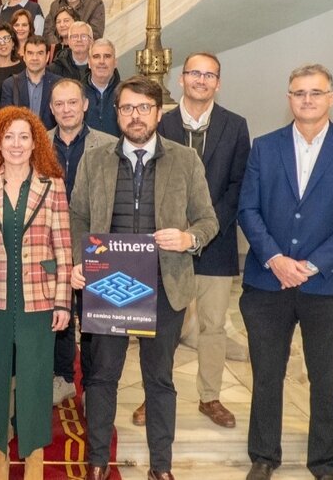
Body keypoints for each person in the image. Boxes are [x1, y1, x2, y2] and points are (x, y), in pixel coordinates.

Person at [69, 76, 218, 480]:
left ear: (157, 113)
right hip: (107, 285)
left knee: (160, 379)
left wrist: (189, 238)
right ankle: (98, 460)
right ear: (116, 114)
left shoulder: (185, 160)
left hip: (164, 287)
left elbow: (209, 220)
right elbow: (77, 215)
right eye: (127, 108)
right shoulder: (94, 158)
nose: (135, 116)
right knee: (102, 376)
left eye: (144, 108)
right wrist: (78, 260)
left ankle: (161, 466)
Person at [238, 64, 333, 480]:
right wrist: (276, 259)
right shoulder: (264, 147)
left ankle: (325, 462)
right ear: (289, 99)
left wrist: (313, 264)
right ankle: (264, 456)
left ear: (331, 97)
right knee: (266, 375)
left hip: (328, 285)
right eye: (299, 93)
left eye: (316, 93)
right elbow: (248, 209)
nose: (307, 100)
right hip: (267, 282)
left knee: (325, 378)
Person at [0, 107, 72, 480]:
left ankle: (34, 455)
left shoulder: (52, 184)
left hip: (38, 298)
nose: (16, 144)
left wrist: (63, 301)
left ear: (35, 142)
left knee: (35, 378)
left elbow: (63, 245)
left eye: (24, 136)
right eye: (8, 136)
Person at [152, 52, 250, 430]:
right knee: (162, 327)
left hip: (216, 244)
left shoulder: (235, 126)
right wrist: (177, 232)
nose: (201, 80)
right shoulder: (162, 123)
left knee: (212, 326)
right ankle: (155, 395)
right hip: (167, 245)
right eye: (195, 73)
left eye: (210, 75)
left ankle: (210, 396)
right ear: (181, 79)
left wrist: (204, 230)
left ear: (218, 83)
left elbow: (239, 185)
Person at [45, 78, 116, 406]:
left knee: (92, 318)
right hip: (49, 243)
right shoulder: (38, 144)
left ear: (85, 104)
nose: (66, 109)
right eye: (59, 104)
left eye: (72, 102)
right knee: (56, 313)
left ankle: (90, 385)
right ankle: (61, 377)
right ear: (51, 108)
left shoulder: (109, 145)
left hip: (94, 243)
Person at [0, 35, 59, 129]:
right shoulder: (10, 85)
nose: (34, 58)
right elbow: (5, 120)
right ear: (24, 56)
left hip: (50, 141)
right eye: (30, 53)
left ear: (47, 57)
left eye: (40, 53)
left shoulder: (58, 84)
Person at [83, 38, 122, 136]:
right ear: (89, 62)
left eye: (107, 56)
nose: (101, 61)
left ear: (116, 62)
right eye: (96, 56)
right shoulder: (77, 93)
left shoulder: (126, 93)